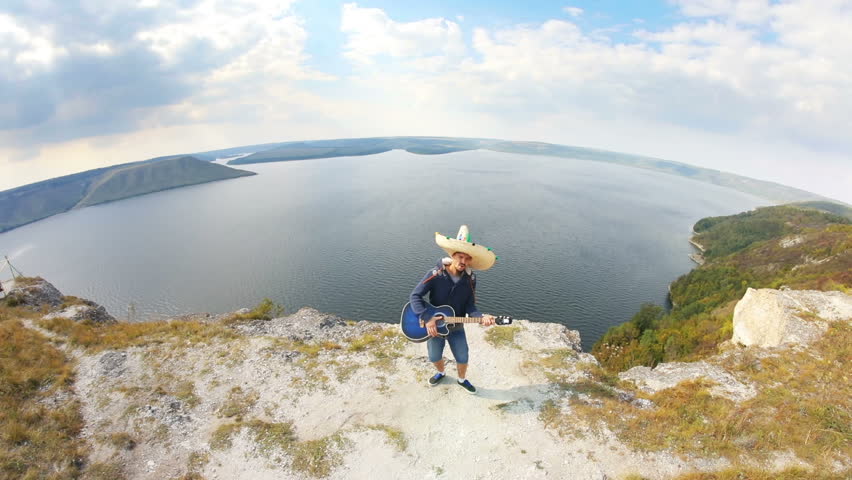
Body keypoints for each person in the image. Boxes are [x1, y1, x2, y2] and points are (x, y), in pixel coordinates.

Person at [409, 225, 497, 394]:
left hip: (456, 326)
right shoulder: (435, 274)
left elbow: (470, 305)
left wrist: (481, 316)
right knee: (434, 356)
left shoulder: (470, 280)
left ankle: (462, 379)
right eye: (460, 256)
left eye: (467, 258)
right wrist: (427, 317)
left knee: (463, 357)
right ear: (452, 255)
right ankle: (441, 372)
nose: (463, 261)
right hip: (434, 325)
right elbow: (415, 296)